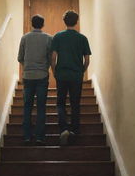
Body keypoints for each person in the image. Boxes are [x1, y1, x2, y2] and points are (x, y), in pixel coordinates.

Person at [51, 10, 91, 145]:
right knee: (75, 103)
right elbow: (87, 60)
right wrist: (82, 71)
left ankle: (63, 129)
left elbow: (53, 57)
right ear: (76, 21)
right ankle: (75, 130)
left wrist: (54, 71)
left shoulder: (57, 37)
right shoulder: (82, 38)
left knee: (60, 102)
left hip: (62, 74)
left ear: (64, 21)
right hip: (76, 75)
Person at [18, 14, 52, 145]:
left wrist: (27, 67)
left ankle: (26, 136)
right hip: (42, 75)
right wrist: (45, 67)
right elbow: (51, 57)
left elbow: (20, 57)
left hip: (27, 76)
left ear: (32, 24)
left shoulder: (24, 38)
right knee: (41, 107)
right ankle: (39, 136)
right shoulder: (49, 38)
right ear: (42, 25)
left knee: (27, 106)